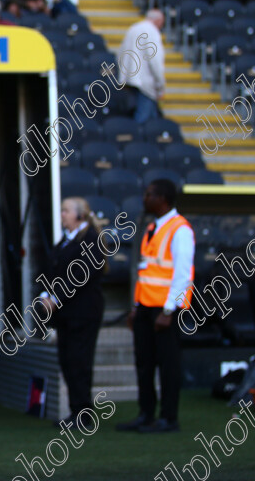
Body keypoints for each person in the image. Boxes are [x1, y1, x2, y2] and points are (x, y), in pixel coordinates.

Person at [117, 179, 194, 434]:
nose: (144, 198)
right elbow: (146, 272)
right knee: (144, 362)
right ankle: (146, 413)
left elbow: (183, 275)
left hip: (165, 310)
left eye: (149, 194)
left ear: (163, 199)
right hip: (147, 307)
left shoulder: (180, 229)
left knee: (168, 365)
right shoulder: (152, 227)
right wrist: (137, 306)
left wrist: (169, 311)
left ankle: (169, 418)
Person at [40, 198, 105, 429]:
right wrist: (45, 295)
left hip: (84, 313)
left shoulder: (91, 240)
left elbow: (81, 275)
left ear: (79, 215)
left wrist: (55, 299)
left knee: (80, 361)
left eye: (66, 210)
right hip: (67, 315)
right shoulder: (65, 242)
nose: (62, 214)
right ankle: (76, 410)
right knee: (68, 361)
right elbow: (52, 270)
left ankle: (84, 415)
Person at [118, 9, 165, 124]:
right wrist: (160, 85)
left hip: (130, 79)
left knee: (150, 118)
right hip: (145, 82)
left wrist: (123, 77)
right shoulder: (152, 32)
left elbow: (121, 53)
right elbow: (155, 60)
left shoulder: (133, 29)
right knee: (144, 119)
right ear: (158, 21)